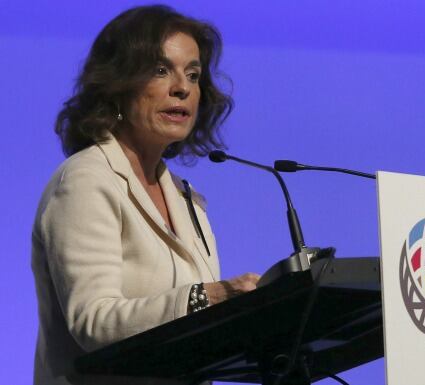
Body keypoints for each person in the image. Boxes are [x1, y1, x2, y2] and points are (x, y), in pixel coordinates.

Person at [31, 5, 259, 384]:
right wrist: (211, 297)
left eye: (193, 74)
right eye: (160, 70)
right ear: (118, 84)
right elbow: (95, 321)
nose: (182, 87)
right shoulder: (86, 181)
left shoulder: (188, 201)